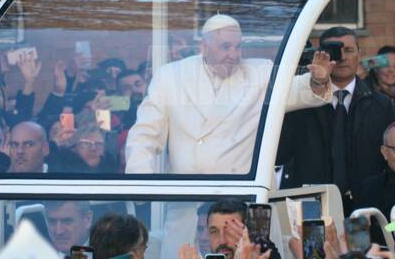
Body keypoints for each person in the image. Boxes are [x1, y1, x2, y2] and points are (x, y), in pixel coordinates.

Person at [125, 13, 334, 175]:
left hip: (242, 194)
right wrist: (141, 182)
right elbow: (145, 134)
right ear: (204, 47)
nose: (233, 55)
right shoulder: (170, 76)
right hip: (187, 197)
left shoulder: (260, 72)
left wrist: (318, 80)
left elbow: (299, 92)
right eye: (225, 47)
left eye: (238, 47)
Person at [277, 26, 395, 212]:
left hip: (362, 208)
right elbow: (281, 152)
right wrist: (312, 83)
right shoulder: (300, 102)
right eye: (334, 51)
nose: (342, 57)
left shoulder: (381, 106)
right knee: (314, 243)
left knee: (359, 243)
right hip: (312, 206)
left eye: (348, 50)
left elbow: (394, 157)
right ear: (320, 56)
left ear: (359, 53)